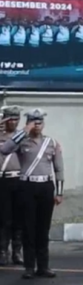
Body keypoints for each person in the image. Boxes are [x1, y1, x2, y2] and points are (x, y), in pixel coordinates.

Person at [1, 108, 63, 280]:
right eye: (34, 122)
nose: (37, 125)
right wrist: (23, 131)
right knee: (28, 228)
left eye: (40, 122)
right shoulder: (22, 140)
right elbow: (5, 149)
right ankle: (29, 267)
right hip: (27, 186)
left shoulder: (51, 142)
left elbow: (59, 168)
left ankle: (43, 266)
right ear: (28, 123)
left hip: (45, 186)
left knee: (43, 229)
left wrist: (60, 192)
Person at [0, 106, 22, 267]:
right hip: (3, 180)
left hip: (20, 180)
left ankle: (17, 251)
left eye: (16, 119)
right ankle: (2, 251)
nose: (13, 122)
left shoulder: (22, 137)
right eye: (10, 119)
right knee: (4, 219)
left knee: (19, 219)